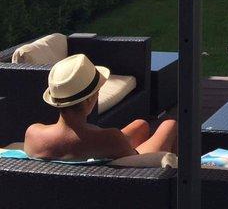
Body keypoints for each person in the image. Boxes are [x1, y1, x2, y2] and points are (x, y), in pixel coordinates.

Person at [24, 54, 177, 161]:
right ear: (90, 99)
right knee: (170, 125)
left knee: (141, 124)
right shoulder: (110, 139)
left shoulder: (33, 134)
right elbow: (134, 162)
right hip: (133, 169)